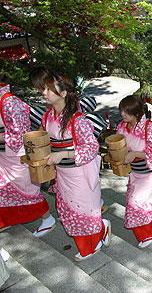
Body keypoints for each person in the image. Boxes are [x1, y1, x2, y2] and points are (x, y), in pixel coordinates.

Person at [30, 67, 110, 261]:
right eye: (44, 89)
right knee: (68, 210)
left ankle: (91, 244)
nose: (44, 93)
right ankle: (100, 230)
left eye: (50, 90)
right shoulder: (47, 117)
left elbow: (91, 148)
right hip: (62, 173)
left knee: (83, 211)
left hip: (79, 173)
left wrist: (63, 154)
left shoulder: (78, 120)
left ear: (63, 93)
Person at [116, 95, 152, 248]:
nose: (123, 114)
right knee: (143, 202)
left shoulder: (151, 129)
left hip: (151, 171)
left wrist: (135, 154)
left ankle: (148, 233)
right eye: (121, 111)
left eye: (126, 112)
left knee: (138, 202)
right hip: (136, 171)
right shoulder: (122, 126)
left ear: (136, 113)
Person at [0, 79, 51, 232]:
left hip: (16, 156)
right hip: (5, 157)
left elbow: (20, 136)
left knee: (26, 192)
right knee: (5, 191)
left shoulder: (10, 103)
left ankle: (47, 218)